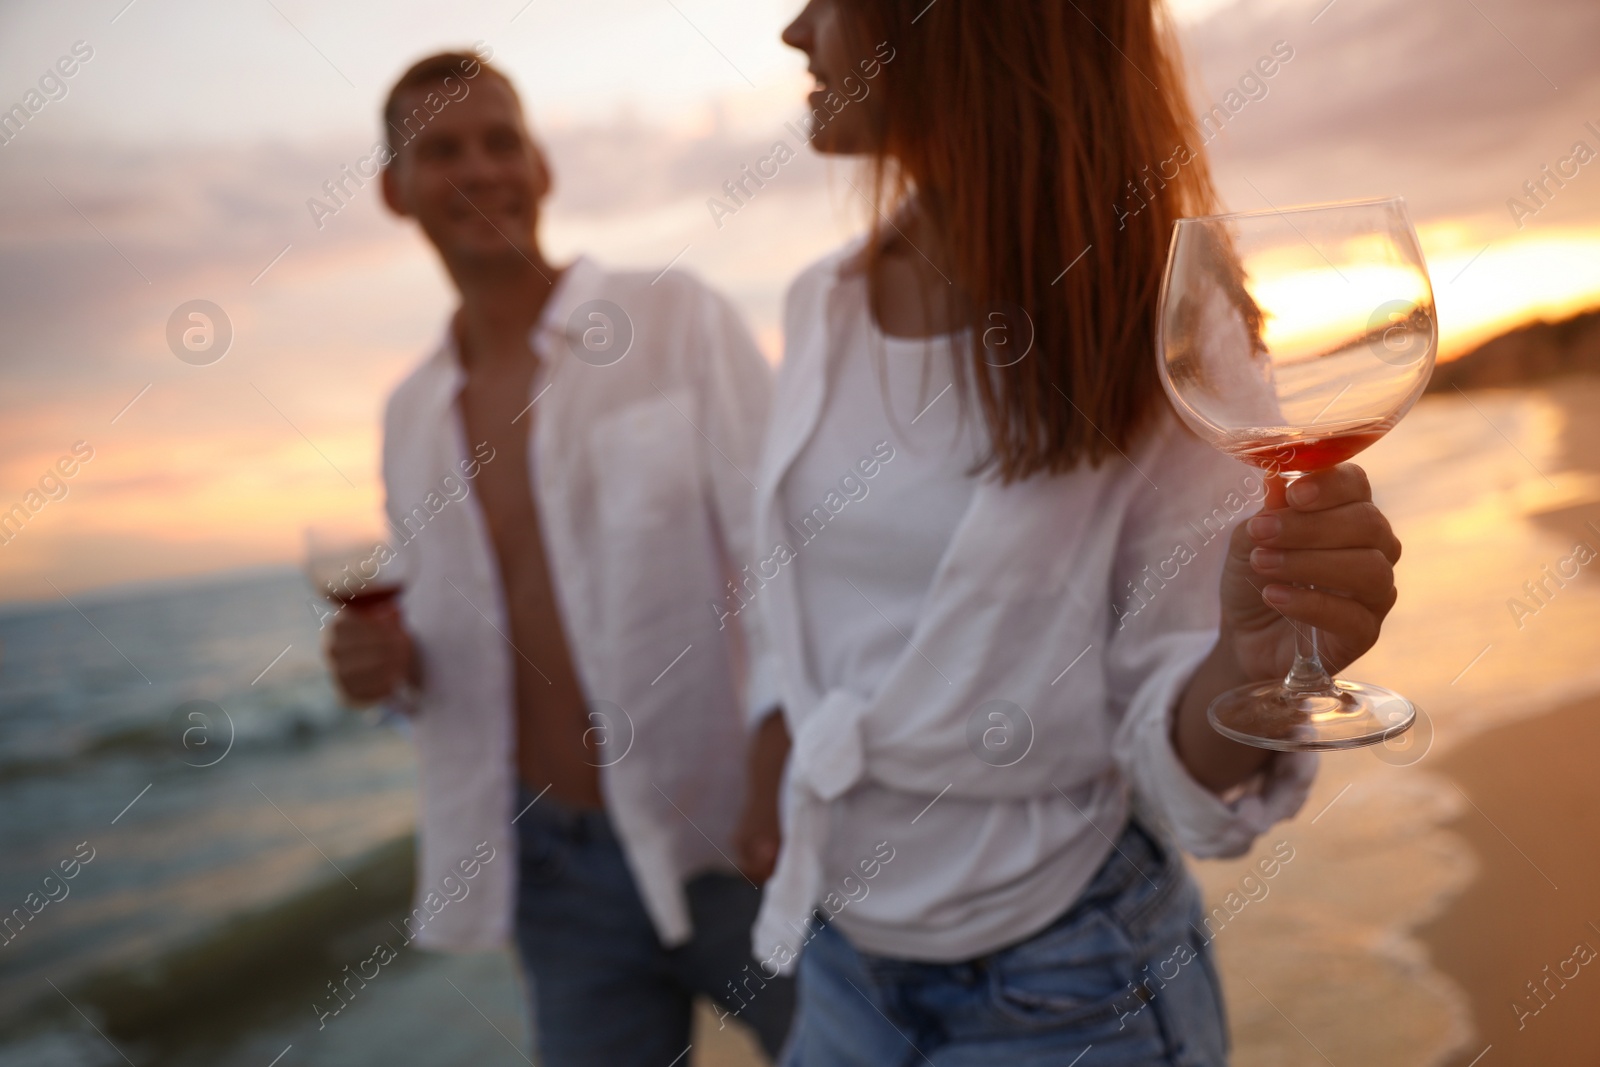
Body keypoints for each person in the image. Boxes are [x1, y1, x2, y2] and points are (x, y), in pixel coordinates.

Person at [752, 3, 1405, 1064]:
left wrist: (1256, 654)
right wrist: (769, 729)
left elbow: (1181, 768)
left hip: (1067, 984)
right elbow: (797, 603)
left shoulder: (1164, 327)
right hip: (841, 964)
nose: (794, 31)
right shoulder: (820, 305)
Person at [323, 50, 794, 1065]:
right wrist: (390, 668)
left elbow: (786, 556)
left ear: (541, 167)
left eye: (501, 141)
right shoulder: (410, 416)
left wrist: (776, 768)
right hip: (557, 874)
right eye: (441, 150)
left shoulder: (675, 320)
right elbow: (461, 637)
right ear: (393, 191)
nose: (480, 169)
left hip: (733, 825)